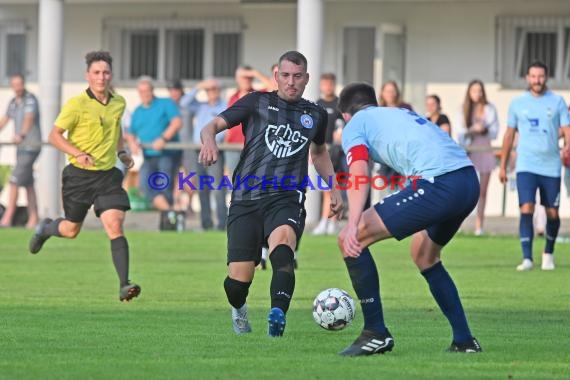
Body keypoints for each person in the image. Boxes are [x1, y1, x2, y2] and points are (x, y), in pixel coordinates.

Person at [199, 51, 343, 337]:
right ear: (277, 76)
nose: (291, 82)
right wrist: (209, 142)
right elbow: (212, 125)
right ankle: (239, 309)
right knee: (238, 282)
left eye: (297, 76)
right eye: (286, 76)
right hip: (246, 198)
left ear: (306, 79)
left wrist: (335, 188)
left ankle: (278, 313)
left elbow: (319, 153)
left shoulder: (315, 114)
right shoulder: (256, 102)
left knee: (283, 247)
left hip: (286, 196)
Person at [336, 82, 481, 356]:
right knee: (424, 254)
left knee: (348, 239)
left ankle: (375, 332)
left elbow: (357, 170)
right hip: (468, 180)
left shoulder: (355, 124)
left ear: (345, 114)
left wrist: (353, 223)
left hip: (440, 183)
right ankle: (464, 341)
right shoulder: (396, 113)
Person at [28, 50, 141, 302]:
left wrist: (121, 151)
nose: (102, 77)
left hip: (108, 176)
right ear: (88, 76)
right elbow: (54, 136)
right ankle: (46, 228)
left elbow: (116, 128)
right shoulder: (76, 104)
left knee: (115, 225)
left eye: (106, 72)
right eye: (97, 73)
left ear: (111, 75)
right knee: (70, 230)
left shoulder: (118, 102)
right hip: (78, 177)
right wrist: (77, 153)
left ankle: (125, 284)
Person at [499, 61, 570, 271]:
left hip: (550, 166)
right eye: (533, 76)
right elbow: (509, 134)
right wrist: (503, 165)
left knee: (552, 214)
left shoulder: (557, 102)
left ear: (546, 77)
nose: (537, 80)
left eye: (540, 76)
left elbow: (566, 128)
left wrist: (567, 145)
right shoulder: (517, 103)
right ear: (527, 78)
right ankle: (527, 258)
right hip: (526, 165)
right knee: (526, 208)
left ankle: (548, 253)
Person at [126, 76, 182, 211]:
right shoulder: (138, 111)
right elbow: (130, 133)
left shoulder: (166, 103)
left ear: (152, 90)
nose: (145, 94)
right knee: (144, 185)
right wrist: (132, 142)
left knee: (165, 187)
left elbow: (177, 123)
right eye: (141, 91)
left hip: (167, 154)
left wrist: (163, 138)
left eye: (147, 90)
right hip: (148, 155)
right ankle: (170, 212)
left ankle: (168, 221)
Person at [181, 78, 228, 230]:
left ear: (219, 91)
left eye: (213, 89)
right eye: (208, 90)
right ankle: (206, 223)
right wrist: (199, 86)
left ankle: (222, 223)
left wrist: (212, 143)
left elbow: (225, 129)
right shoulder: (201, 106)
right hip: (198, 151)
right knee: (202, 188)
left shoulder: (224, 106)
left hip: (215, 151)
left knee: (217, 188)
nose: (211, 92)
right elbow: (183, 103)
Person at [457, 80, 499, 236]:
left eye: (480, 90)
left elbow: (494, 131)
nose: (477, 94)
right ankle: (458, 223)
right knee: (466, 190)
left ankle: (479, 225)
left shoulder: (489, 108)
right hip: (469, 152)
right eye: (474, 90)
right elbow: (460, 133)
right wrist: (472, 130)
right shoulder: (463, 110)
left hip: (485, 150)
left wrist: (483, 129)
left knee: (483, 191)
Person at [0, 74, 41, 228]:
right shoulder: (13, 102)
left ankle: (7, 219)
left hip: (31, 146)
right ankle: (33, 218)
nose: (17, 87)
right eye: (14, 85)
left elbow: (28, 119)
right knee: (28, 184)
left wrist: (21, 134)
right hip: (21, 149)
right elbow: (4, 119)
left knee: (14, 181)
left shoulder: (30, 99)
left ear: (23, 84)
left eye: (19, 84)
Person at [224, 65, 274, 176]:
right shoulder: (233, 97)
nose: (246, 80)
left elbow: (274, 89)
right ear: (237, 79)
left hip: (252, 146)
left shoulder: (258, 95)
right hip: (231, 147)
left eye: (248, 78)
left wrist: (255, 73)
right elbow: (229, 124)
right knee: (234, 181)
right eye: (243, 77)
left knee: (251, 181)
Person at [312, 72, 345, 235]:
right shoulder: (317, 104)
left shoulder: (339, 104)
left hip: (336, 151)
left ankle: (330, 222)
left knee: (332, 187)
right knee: (325, 188)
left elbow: (343, 125)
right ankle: (326, 221)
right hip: (321, 150)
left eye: (330, 84)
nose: (327, 87)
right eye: (325, 84)